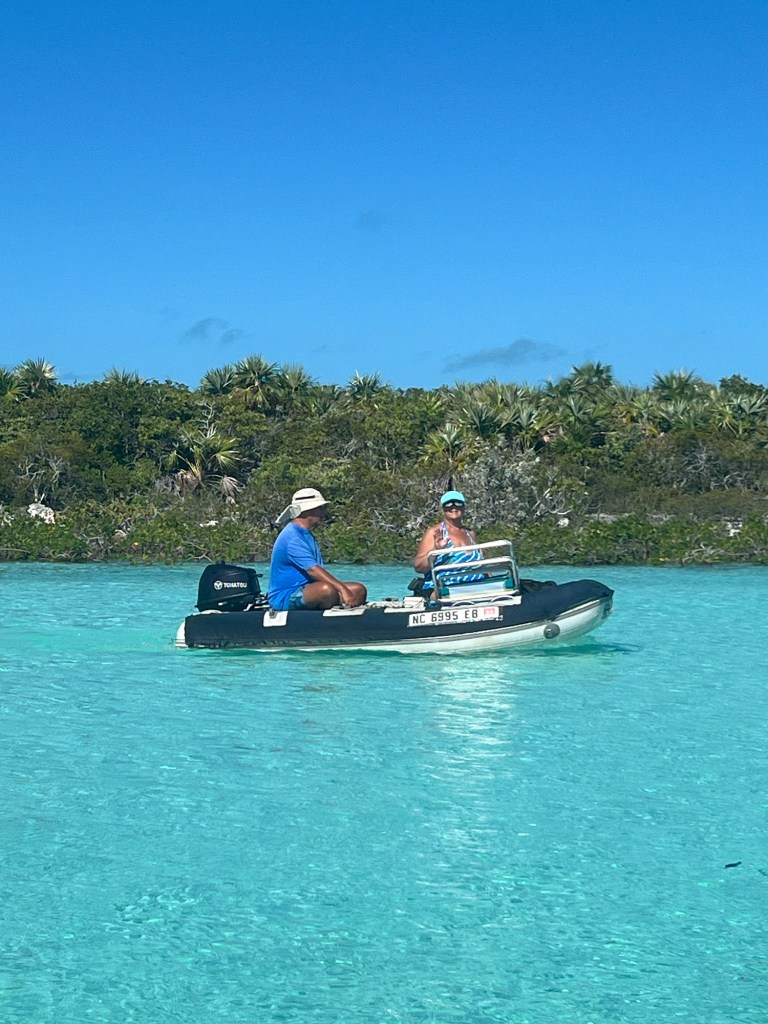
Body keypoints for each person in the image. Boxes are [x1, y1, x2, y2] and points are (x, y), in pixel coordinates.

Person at [267, 488, 367, 611]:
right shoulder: (292, 537)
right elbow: (312, 570)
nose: (323, 513)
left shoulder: (305, 533)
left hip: (308, 588)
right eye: (320, 508)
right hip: (287, 595)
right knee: (326, 590)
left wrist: (345, 590)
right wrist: (342, 589)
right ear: (308, 511)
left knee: (358, 590)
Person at [413, 490, 484, 583]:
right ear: (442, 509)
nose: (454, 507)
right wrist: (436, 550)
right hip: (447, 587)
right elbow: (419, 567)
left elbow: (483, 565)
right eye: (448, 504)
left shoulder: (470, 533)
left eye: (458, 503)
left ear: (464, 507)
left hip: (478, 585)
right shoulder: (434, 532)